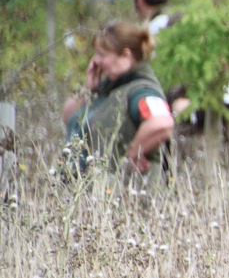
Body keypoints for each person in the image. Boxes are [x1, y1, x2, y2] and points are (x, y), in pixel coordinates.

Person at [62, 22, 174, 175]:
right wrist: (87, 89)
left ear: (125, 55)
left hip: (118, 194)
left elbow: (162, 123)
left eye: (102, 54)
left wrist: (130, 158)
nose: (96, 61)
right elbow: (69, 118)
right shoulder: (110, 87)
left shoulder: (141, 90)